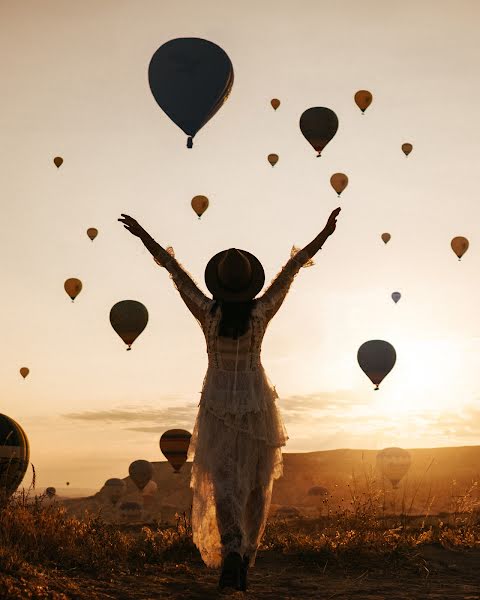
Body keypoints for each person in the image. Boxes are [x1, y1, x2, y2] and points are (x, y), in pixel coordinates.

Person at [118, 207, 341, 591]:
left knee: (224, 485)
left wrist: (143, 236)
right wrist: (325, 233)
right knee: (256, 484)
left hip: (219, 403)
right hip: (256, 403)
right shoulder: (261, 312)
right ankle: (246, 553)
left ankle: (232, 550)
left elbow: (175, 272)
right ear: (250, 285)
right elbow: (291, 271)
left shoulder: (208, 313)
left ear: (219, 285)